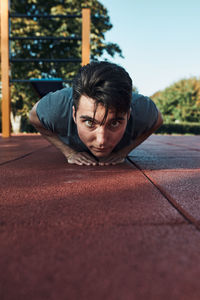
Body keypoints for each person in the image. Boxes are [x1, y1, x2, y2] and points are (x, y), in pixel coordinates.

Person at [29, 61, 163, 166]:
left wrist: (123, 152)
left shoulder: (142, 109)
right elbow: (33, 117)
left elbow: (158, 120)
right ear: (74, 113)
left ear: (128, 114)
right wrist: (69, 153)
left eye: (114, 123)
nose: (101, 141)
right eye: (89, 123)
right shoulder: (56, 107)